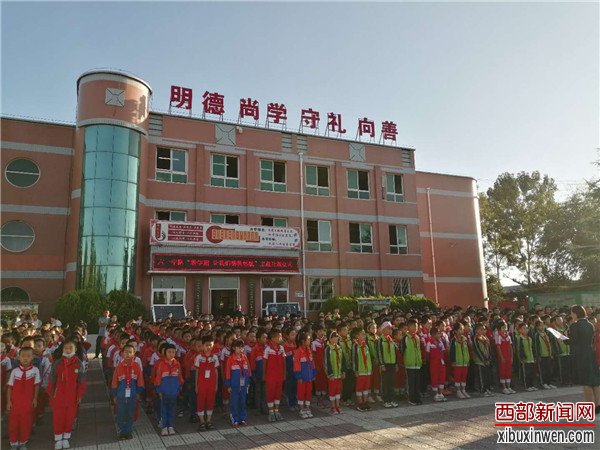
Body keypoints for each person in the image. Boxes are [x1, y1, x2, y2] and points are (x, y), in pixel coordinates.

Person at [47, 339, 86, 449]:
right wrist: (51, 394)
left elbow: (81, 382)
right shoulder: (57, 363)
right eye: (66, 348)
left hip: (72, 397)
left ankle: (66, 437)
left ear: (75, 349)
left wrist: (79, 395)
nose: (68, 350)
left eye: (70, 348)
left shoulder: (79, 363)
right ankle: (58, 439)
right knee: (58, 418)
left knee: (69, 418)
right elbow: (52, 380)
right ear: (62, 349)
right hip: (58, 396)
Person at [567, 305, 600, 414]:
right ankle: (598, 405)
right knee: (595, 381)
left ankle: (590, 406)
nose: (571, 315)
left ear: (575, 313)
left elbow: (573, 341)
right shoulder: (590, 324)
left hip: (581, 355)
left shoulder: (574, 325)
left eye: (572, 313)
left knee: (586, 382)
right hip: (591, 353)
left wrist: (563, 339)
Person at [6, 347, 41, 450]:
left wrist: (35, 399)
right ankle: (13, 442)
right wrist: (8, 401)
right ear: (18, 357)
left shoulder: (35, 370)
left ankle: (23, 442)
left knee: (25, 422)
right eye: (23, 356)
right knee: (14, 423)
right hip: (15, 403)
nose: (25, 358)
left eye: (28, 356)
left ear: (33, 357)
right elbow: (10, 387)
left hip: (28, 402)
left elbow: (37, 386)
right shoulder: (15, 371)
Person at [111, 344, 144, 440]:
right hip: (121, 396)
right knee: (121, 414)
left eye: (130, 352)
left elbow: (140, 381)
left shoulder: (136, 366)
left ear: (134, 354)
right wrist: (114, 395)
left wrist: (138, 392)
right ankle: (122, 431)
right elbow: (114, 382)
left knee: (130, 413)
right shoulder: (119, 367)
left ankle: (128, 431)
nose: (128, 354)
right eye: (126, 352)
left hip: (132, 395)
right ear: (122, 353)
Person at [154, 344, 183, 436]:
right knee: (163, 410)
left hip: (174, 392)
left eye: (173, 352)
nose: (171, 354)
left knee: (172, 410)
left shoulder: (177, 364)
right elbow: (158, 378)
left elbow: (180, 377)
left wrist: (179, 389)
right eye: (169, 352)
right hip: (164, 392)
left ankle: (170, 426)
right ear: (165, 353)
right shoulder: (162, 364)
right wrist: (159, 390)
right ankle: (164, 427)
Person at [224, 339, 251, 427]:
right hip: (234, 385)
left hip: (243, 385)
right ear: (233, 348)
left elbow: (248, 371)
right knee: (234, 402)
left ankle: (242, 418)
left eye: (242, 347)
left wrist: (248, 381)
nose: (241, 349)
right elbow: (227, 373)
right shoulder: (230, 359)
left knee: (243, 401)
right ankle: (235, 419)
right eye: (238, 347)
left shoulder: (245, 358)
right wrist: (228, 385)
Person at [194, 336, 219, 431]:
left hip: (211, 383)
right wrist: (196, 385)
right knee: (200, 401)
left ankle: (208, 420)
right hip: (201, 383)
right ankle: (202, 421)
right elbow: (197, 372)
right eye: (207, 345)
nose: (209, 347)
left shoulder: (215, 357)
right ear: (203, 345)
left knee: (210, 401)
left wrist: (216, 384)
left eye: (210, 345)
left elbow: (216, 371)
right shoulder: (199, 357)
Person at [263, 329, 286, 422]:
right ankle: (271, 412)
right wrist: (264, 375)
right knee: (270, 393)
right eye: (279, 337)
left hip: (279, 375)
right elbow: (264, 363)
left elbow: (284, 362)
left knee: (278, 392)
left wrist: (284, 374)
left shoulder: (281, 348)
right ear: (273, 338)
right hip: (270, 376)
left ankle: (276, 410)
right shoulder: (267, 349)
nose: (281, 338)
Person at [294, 330, 316, 418]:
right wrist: (298, 376)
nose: (310, 341)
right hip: (302, 377)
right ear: (303, 341)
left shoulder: (309, 351)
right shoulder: (298, 352)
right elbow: (296, 365)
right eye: (308, 339)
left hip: (309, 376)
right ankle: (301, 409)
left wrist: (313, 373)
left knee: (308, 392)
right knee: (301, 392)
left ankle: (307, 408)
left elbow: (312, 363)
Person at [401, 319, 422, 406]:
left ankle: (417, 397)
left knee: (417, 382)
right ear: (408, 327)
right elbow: (402, 350)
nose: (415, 328)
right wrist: (403, 361)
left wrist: (420, 360)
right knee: (411, 383)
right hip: (409, 364)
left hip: (417, 364)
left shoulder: (417, 337)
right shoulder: (405, 338)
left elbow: (418, 350)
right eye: (414, 326)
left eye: (416, 326)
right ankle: (411, 398)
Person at [377, 321, 398, 408]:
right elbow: (379, 352)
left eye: (390, 329)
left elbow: (395, 352)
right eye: (388, 329)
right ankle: (386, 400)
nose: (390, 330)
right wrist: (382, 364)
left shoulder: (391, 340)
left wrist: (396, 363)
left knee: (392, 382)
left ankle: (391, 399)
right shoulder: (380, 340)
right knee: (385, 382)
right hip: (385, 364)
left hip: (392, 363)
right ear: (383, 330)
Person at [324, 331, 345, 414]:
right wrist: (330, 374)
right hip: (332, 375)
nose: (336, 338)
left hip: (339, 374)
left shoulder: (339, 348)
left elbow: (343, 361)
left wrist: (343, 371)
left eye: (337, 337)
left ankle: (338, 406)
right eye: (334, 337)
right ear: (330, 339)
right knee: (332, 390)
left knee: (338, 390)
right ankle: (333, 407)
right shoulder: (328, 349)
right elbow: (326, 362)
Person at [351, 327, 372, 411]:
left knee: (366, 386)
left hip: (367, 370)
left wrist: (370, 368)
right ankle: (360, 403)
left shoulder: (366, 345)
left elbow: (369, 357)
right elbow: (354, 358)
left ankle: (365, 402)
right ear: (357, 336)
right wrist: (355, 370)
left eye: (364, 334)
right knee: (360, 386)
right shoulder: (355, 346)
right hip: (360, 370)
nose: (364, 336)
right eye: (362, 334)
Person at [450, 322, 471, 399]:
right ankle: (458, 391)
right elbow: (451, 351)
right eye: (460, 329)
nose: (462, 330)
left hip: (464, 361)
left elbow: (467, 351)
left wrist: (468, 360)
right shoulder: (453, 340)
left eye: (462, 329)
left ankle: (463, 390)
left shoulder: (465, 339)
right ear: (455, 331)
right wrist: (453, 361)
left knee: (463, 377)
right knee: (457, 377)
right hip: (457, 362)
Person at [426, 328, 447, 402]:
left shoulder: (440, 342)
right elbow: (427, 355)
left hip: (441, 363)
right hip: (434, 364)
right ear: (433, 334)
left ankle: (440, 393)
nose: (440, 335)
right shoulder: (429, 343)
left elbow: (444, 352)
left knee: (442, 377)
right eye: (438, 333)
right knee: (434, 378)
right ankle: (436, 394)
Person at [495, 321, 515, 394]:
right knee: (503, 372)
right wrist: (501, 357)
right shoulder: (499, 336)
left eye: (506, 327)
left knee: (508, 371)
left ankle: (509, 387)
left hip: (508, 356)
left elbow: (510, 347)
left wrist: (512, 357)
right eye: (503, 328)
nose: (505, 329)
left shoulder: (508, 336)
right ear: (499, 329)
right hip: (503, 357)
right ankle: (504, 387)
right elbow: (498, 348)